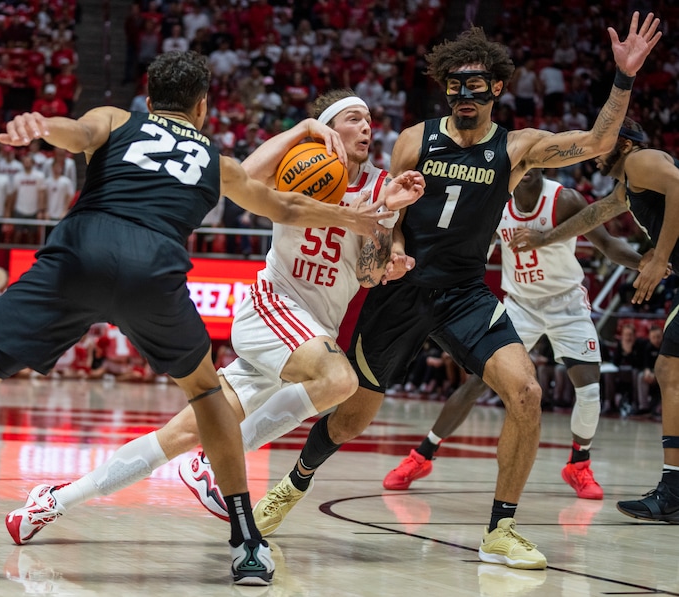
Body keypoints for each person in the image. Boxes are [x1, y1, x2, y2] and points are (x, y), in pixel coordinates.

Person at [252, 14, 660, 571]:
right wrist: (390, 247)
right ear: (445, 86)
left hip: (467, 293)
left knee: (526, 393)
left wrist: (623, 77)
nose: (463, 94)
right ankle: (293, 485)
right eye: (454, 84)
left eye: (475, 84)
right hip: (405, 291)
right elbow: (390, 214)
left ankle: (501, 529)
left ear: (496, 87)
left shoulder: (517, 148)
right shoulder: (417, 139)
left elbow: (596, 142)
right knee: (350, 418)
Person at [0, 52, 394, 586]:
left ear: (150, 100)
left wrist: (42, 126)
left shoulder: (386, 187)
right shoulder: (250, 160)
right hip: (249, 300)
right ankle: (234, 514)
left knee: (182, 433)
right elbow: (270, 196)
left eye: (369, 121)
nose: (364, 128)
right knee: (304, 384)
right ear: (203, 107)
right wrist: (313, 150)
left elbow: (370, 274)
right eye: (352, 118)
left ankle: (55, 500)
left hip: (99, 260)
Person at [382, 168, 644, 504]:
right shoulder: (497, 202)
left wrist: (646, 262)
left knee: (590, 389)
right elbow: (471, 245)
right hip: (521, 305)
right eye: (525, 161)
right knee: (477, 380)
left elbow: (607, 245)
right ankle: (422, 455)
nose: (529, 167)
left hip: (566, 304)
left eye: (537, 161)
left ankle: (579, 464)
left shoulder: (564, 200)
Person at [511, 115, 679, 523]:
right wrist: (545, 237)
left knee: (669, 371)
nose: (593, 147)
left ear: (621, 144)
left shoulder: (642, 161)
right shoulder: (627, 185)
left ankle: (674, 489)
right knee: (670, 371)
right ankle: (674, 488)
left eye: (602, 140)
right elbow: (593, 217)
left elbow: (678, 187)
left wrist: (658, 257)